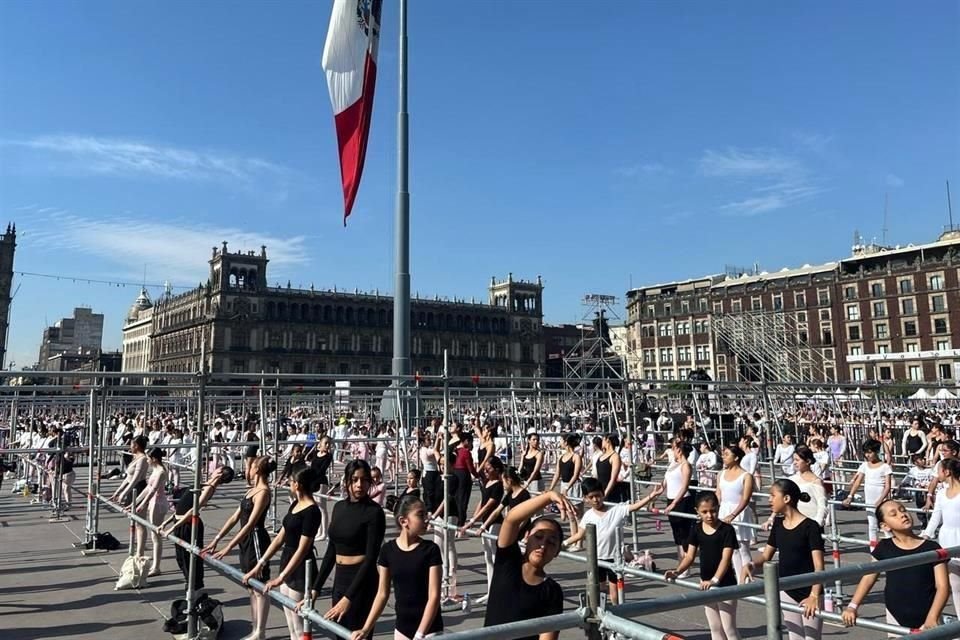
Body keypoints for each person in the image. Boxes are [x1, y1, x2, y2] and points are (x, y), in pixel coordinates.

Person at [844, 499, 949, 633]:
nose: (902, 515)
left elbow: (942, 586)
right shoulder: (884, 547)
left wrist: (932, 617)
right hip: (895, 617)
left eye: (903, 510)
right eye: (894, 514)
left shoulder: (932, 548)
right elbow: (869, 578)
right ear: (885, 526)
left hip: (928, 617)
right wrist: (852, 606)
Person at [483, 490, 574, 640]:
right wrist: (548, 496)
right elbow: (511, 519)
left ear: (557, 552)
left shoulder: (552, 591)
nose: (543, 545)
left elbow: (547, 636)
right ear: (526, 537)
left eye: (551, 542)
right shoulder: (508, 561)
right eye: (538, 537)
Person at [243, 466, 321, 640]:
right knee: (291, 625)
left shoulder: (312, 511)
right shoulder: (295, 504)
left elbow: (303, 549)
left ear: (298, 485)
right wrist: (260, 563)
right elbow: (279, 539)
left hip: (300, 568)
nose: (289, 484)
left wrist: (282, 576)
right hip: (287, 561)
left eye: (291, 482)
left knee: (300, 626)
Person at [351, 495, 443, 640]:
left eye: (426, 514)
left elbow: (434, 596)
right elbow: (382, 594)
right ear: (403, 521)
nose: (426, 519)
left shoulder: (431, 550)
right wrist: (366, 628)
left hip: (429, 630)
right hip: (402, 629)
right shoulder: (388, 550)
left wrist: (420, 635)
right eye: (420, 514)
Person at [742, 479, 825, 640]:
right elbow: (766, 555)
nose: (769, 500)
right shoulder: (778, 524)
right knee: (794, 636)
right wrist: (751, 564)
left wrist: (814, 596)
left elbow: (819, 565)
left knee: (812, 638)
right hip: (786, 587)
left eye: (773, 495)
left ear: (786, 498)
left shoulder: (810, 526)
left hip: (809, 589)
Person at [205, 457, 273, 640]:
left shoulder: (264, 492)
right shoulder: (251, 491)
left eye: (250, 466)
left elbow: (250, 524)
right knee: (250, 586)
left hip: (256, 540)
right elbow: (235, 518)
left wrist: (228, 547)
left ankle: (260, 630)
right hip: (245, 541)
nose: (247, 470)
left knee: (259, 585)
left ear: (257, 469)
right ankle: (256, 629)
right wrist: (216, 540)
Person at [314, 459, 387, 631]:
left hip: (362, 580)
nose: (359, 485)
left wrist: (349, 598)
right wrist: (315, 588)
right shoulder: (339, 507)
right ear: (347, 482)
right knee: (339, 633)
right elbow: (331, 551)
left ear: (370, 482)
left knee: (356, 634)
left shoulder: (374, 512)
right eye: (354, 480)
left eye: (364, 480)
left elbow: (371, 558)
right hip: (340, 579)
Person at [562, 477, 662, 602]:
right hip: (596, 558)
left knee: (615, 591)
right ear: (586, 499)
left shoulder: (617, 510)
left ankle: (617, 611)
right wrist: (563, 544)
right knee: (599, 588)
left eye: (598, 495)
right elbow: (579, 535)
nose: (595, 500)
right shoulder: (588, 516)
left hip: (615, 558)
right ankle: (600, 611)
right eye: (591, 497)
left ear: (603, 494)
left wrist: (651, 495)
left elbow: (634, 507)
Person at [664, 493, 740, 640]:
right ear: (697, 511)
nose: (710, 515)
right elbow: (690, 556)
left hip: (725, 583)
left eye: (713, 511)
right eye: (704, 512)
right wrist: (677, 571)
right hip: (705, 582)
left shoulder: (726, 530)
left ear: (718, 508)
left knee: (729, 628)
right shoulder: (697, 529)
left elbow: (726, 558)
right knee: (715, 627)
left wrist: (715, 580)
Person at [161, 465, 234, 592]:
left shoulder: (209, 489)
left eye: (217, 469)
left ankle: (194, 588)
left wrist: (173, 527)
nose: (213, 469)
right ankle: (191, 586)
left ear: (220, 474)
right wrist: (167, 522)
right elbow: (183, 505)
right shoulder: (205, 484)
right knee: (181, 558)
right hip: (179, 521)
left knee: (189, 559)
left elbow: (193, 510)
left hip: (188, 525)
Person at [459, 455, 506, 603]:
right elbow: (482, 501)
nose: (485, 470)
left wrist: (474, 522)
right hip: (485, 523)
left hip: (495, 523)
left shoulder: (498, 485)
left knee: (495, 556)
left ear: (496, 469)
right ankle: (491, 589)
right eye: (485, 468)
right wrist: (471, 520)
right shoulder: (487, 482)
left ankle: (499, 590)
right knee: (488, 558)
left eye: (488, 468)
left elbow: (489, 506)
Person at [922, 457, 960, 617]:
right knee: (955, 586)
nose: (937, 474)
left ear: (947, 472)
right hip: (947, 540)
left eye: (939, 470)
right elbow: (936, 516)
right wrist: (925, 535)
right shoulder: (942, 493)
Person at [842, 439, 892, 549]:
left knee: (886, 525)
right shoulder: (865, 465)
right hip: (869, 499)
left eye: (870, 452)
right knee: (872, 525)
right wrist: (850, 496)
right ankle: (873, 549)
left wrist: (880, 500)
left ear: (876, 452)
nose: (868, 455)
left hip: (880, 499)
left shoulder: (885, 467)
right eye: (866, 453)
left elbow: (887, 486)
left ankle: (892, 547)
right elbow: (858, 481)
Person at [715, 445, 755, 580]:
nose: (723, 457)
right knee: (730, 549)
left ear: (736, 457)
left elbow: (746, 498)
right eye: (723, 454)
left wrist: (733, 514)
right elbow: (718, 495)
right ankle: (737, 579)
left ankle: (746, 579)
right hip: (723, 510)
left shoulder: (746, 476)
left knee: (742, 548)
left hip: (740, 512)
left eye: (727, 454)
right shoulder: (721, 474)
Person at [128, 447, 170, 577]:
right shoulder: (155, 470)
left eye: (148, 458)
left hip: (158, 503)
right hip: (153, 502)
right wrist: (134, 502)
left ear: (154, 459)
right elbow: (148, 488)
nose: (146, 460)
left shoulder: (162, 471)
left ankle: (156, 566)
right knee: (154, 535)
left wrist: (141, 504)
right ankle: (155, 566)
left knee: (155, 535)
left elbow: (153, 490)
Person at [659, 438, 695, 571]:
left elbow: (684, 486)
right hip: (671, 498)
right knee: (677, 534)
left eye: (673, 448)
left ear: (679, 450)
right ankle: (681, 564)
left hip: (682, 501)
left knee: (684, 534)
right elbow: (664, 482)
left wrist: (674, 503)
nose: (672, 451)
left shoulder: (686, 465)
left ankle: (685, 565)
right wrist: (654, 496)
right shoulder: (673, 463)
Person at [547, 433, 583, 540]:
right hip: (564, 485)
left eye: (561, 440)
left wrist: (567, 488)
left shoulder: (576, 457)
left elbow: (576, 475)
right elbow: (557, 474)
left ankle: (579, 541)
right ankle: (573, 538)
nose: (560, 443)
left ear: (566, 442)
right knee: (570, 515)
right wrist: (551, 488)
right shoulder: (561, 457)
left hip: (574, 486)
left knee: (577, 515)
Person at [109, 435, 149, 507]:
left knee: (137, 514)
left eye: (131, 444)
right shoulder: (135, 456)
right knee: (130, 514)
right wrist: (118, 491)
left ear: (136, 446)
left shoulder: (143, 459)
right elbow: (128, 478)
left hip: (138, 488)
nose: (129, 447)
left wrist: (123, 494)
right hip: (131, 488)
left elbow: (135, 479)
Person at [308, 436, 334, 540]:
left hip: (321, 482)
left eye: (329, 444)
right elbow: (312, 466)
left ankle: (325, 532)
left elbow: (321, 470)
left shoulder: (328, 456)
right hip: (313, 482)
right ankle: (319, 530)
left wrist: (312, 475)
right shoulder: (315, 453)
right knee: (316, 507)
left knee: (322, 508)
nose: (327, 446)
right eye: (326, 443)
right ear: (320, 443)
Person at [596, 434, 625, 502]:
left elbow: (613, 479)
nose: (601, 442)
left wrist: (605, 494)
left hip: (610, 492)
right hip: (600, 490)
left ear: (607, 441)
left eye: (603, 440)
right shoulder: (602, 455)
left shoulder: (615, 457)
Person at [419, 431, 441, 513]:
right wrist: (438, 439)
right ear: (423, 442)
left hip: (433, 472)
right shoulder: (424, 450)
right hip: (429, 473)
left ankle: (433, 508)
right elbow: (435, 450)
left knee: (434, 492)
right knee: (429, 492)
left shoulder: (427, 449)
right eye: (428, 440)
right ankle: (429, 509)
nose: (430, 441)